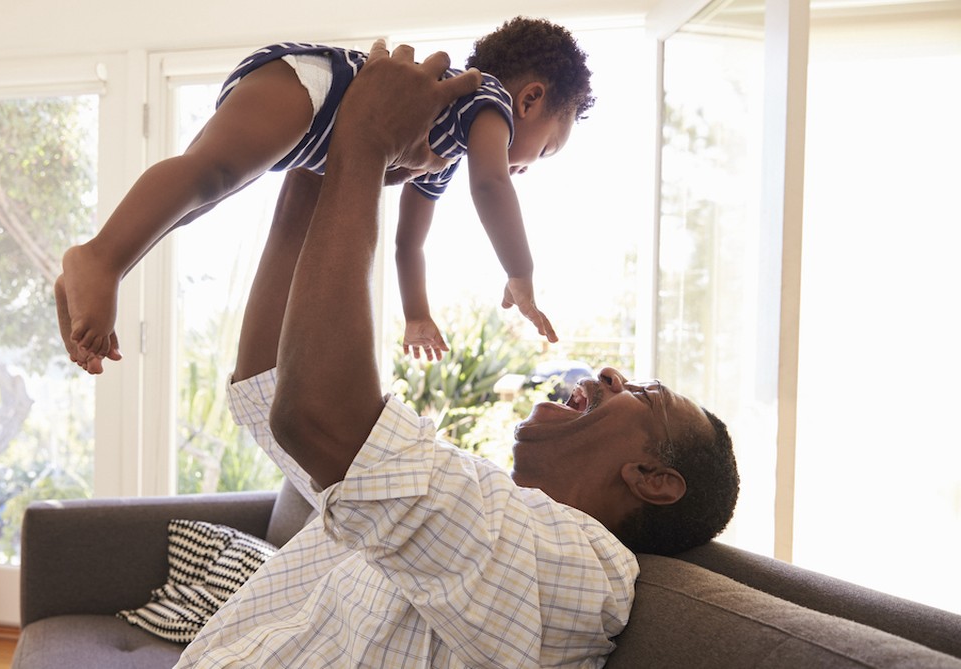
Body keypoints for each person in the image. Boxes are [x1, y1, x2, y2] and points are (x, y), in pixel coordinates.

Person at [170, 40, 740, 668]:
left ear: (654, 481)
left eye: (646, 395)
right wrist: (325, 154)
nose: (611, 373)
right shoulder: (468, 501)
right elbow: (268, 387)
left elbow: (317, 419)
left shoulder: (585, 569)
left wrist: (363, 142)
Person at [57, 17, 596, 373]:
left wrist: (416, 314)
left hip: (309, 132)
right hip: (316, 87)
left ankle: (98, 269)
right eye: (545, 150)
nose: (526, 168)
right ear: (529, 99)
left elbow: (410, 245)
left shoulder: (441, 152)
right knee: (209, 174)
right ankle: (100, 259)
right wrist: (520, 274)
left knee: (201, 196)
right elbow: (492, 185)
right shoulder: (488, 98)